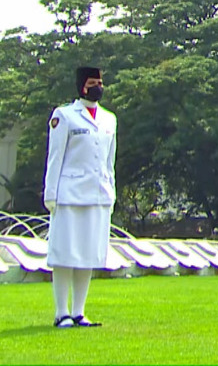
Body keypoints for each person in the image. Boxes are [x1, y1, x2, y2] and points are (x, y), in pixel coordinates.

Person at [44, 66, 116, 328]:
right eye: (93, 83)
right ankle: (61, 312)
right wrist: (51, 194)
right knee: (64, 254)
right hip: (69, 194)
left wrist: (111, 193)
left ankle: (78, 311)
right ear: (82, 86)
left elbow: (109, 162)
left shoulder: (109, 119)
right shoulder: (64, 116)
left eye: (101, 82)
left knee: (88, 254)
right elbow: (55, 157)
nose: (98, 87)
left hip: (98, 195)